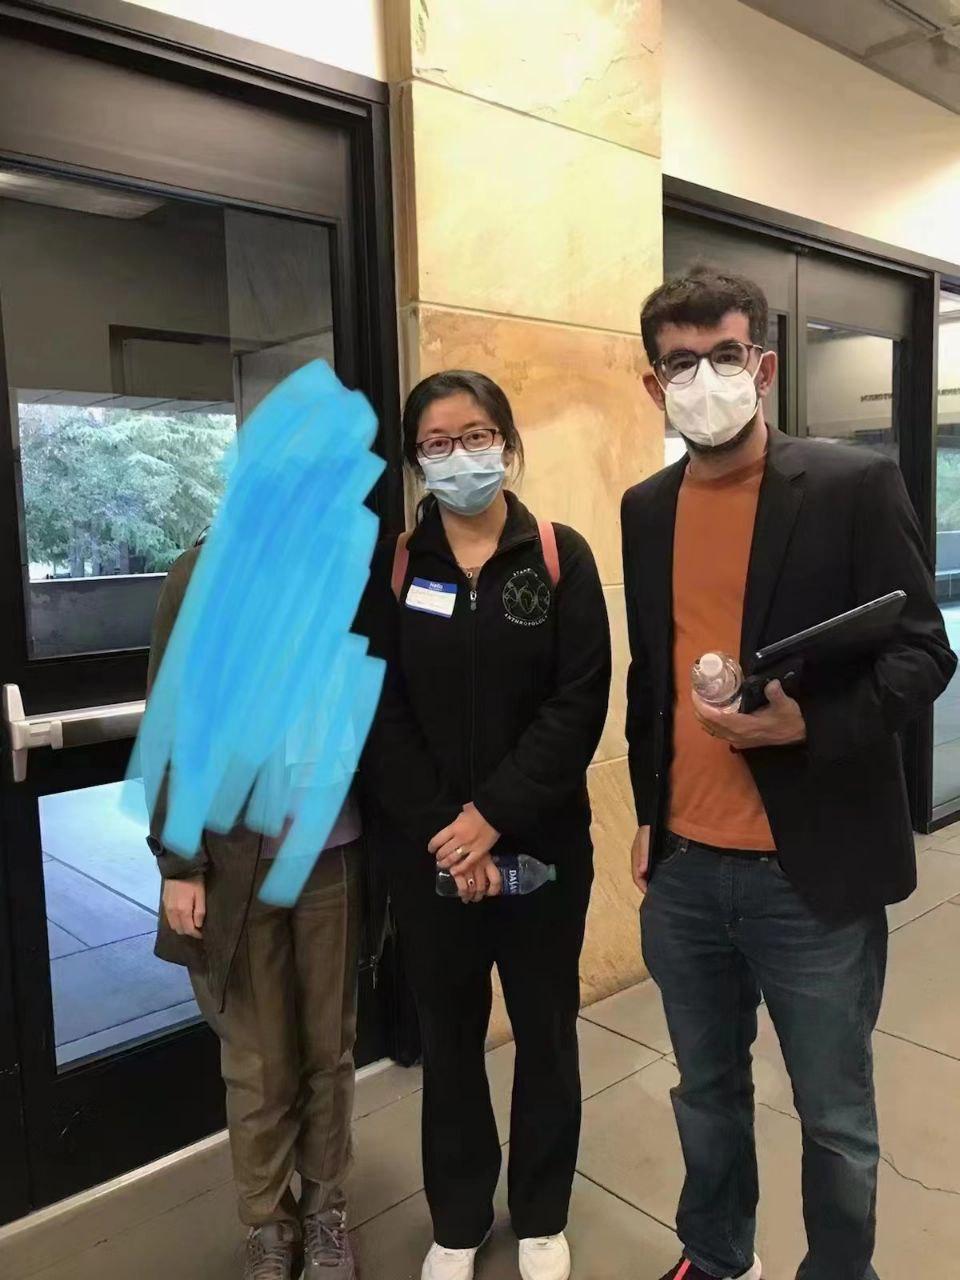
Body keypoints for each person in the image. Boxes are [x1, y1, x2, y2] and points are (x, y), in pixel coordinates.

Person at [621, 266, 956, 1280]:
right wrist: (646, 812)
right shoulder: (646, 508)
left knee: (834, 1113)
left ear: (762, 367)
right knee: (705, 1090)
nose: (704, 379)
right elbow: (651, 672)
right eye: (680, 363)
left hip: (809, 871)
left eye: (723, 355)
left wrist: (810, 720)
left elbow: (923, 651)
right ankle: (716, 1254)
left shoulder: (850, 486)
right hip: (686, 867)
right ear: (654, 385)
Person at [358, 370, 611, 1280]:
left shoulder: (558, 555)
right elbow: (377, 708)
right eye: (436, 443)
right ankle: (459, 1221)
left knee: (546, 1033)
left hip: (542, 851)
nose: (458, 456)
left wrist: (492, 817)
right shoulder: (394, 567)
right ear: (415, 461)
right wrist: (448, 831)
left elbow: (578, 704)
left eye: (474, 436)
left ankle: (542, 1214)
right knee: (450, 1041)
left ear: (506, 441)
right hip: (430, 857)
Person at [147, 543, 363, 1280]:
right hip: (235, 860)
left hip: (332, 852)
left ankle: (326, 1209)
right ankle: (269, 1223)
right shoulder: (200, 572)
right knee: (257, 1061)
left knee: (329, 1049)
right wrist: (180, 863)